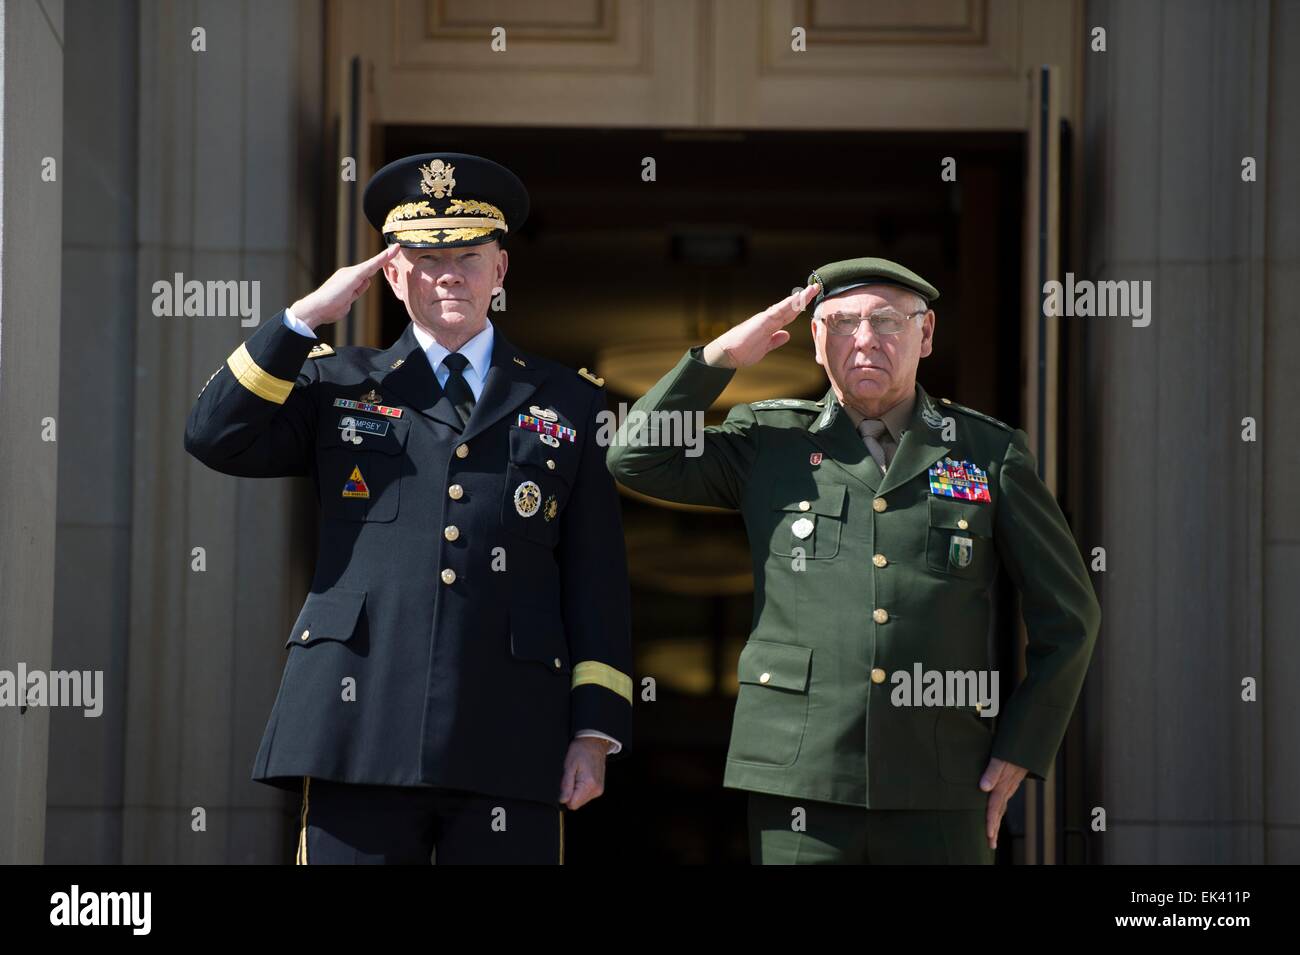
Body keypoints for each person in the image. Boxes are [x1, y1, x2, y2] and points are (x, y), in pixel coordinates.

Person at [185, 152, 633, 864]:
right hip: (355, 720)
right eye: (425, 257)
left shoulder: (566, 400)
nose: (448, 273)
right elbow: (213, 435)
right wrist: (301, 320)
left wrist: (593, 731)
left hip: (511, 727)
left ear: (500, 270)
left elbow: (596, 576)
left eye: (468, 255)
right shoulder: (338, 382)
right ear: (392, 275)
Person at [606, 256, 1100, 864]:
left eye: (888, 321)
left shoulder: (987, 452)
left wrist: (1024, 745)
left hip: (941, 780)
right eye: (841, 323)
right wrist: (723, 357)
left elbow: (1069, 616)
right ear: (816, 341)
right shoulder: (769, 440)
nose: (865, 340)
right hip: (800, 777)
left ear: (927, 335)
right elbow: (633, 457)